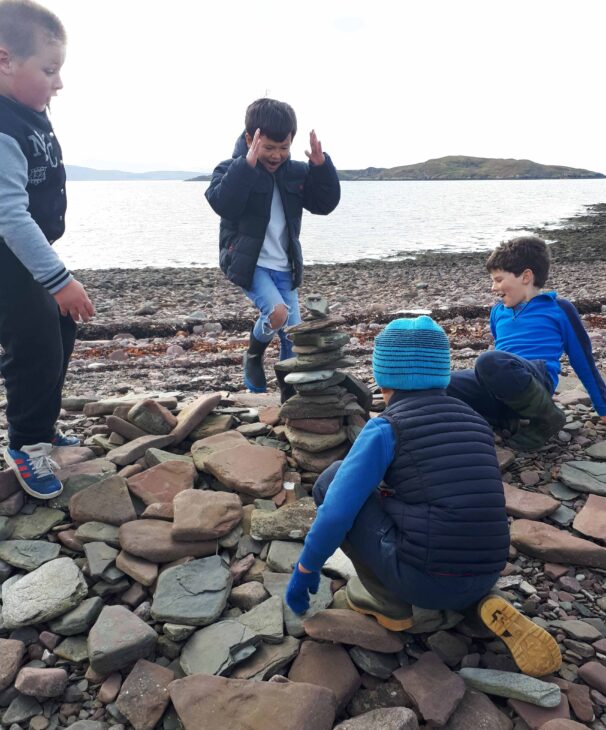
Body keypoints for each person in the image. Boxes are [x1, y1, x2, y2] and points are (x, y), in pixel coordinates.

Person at [286, 316, 561, 677]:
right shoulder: (475, 420)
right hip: (488, 566)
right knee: (429, 512)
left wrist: (305, 568)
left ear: (382, 376)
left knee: (332, 480)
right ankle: (479, 602)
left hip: (426, 579)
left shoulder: (386, 427)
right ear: (442, 372)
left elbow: (336, 512)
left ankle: (388, 602)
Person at [0, 0, 94, 499]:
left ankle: (42, 422)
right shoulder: (2, 127)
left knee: (59, 326)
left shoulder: (27, 109)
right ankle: (25, 445)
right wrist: (60, 280)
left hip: (23, 252)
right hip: (6, 257)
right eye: (49, 70)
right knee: (34, 344)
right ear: (4, 60)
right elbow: (10, 216)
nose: (58, 83)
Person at [205, 97, 340, 393]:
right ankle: (253, 354)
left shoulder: (296, 173)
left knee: (293, 335)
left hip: (285, 264)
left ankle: (290, 393)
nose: (276, 155)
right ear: (250, 139)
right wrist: (247, 166)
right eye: (268, 148)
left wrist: (320, 166)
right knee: (277, 314)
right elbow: (223, 203)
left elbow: (324, 204)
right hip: (249, 263)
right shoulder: (231, 169)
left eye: (284, 148)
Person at [447, 236, 606, 450]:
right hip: (500, 388)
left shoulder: (559, 309)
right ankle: (503, 419)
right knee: (442, 382)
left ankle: (546, 417)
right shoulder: (497, 312)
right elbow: (502, 350)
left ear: (526, 276)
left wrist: (603, 408)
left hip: (536, 379)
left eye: (499, 279)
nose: (493, 287)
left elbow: (583, 362)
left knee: (489, 361)